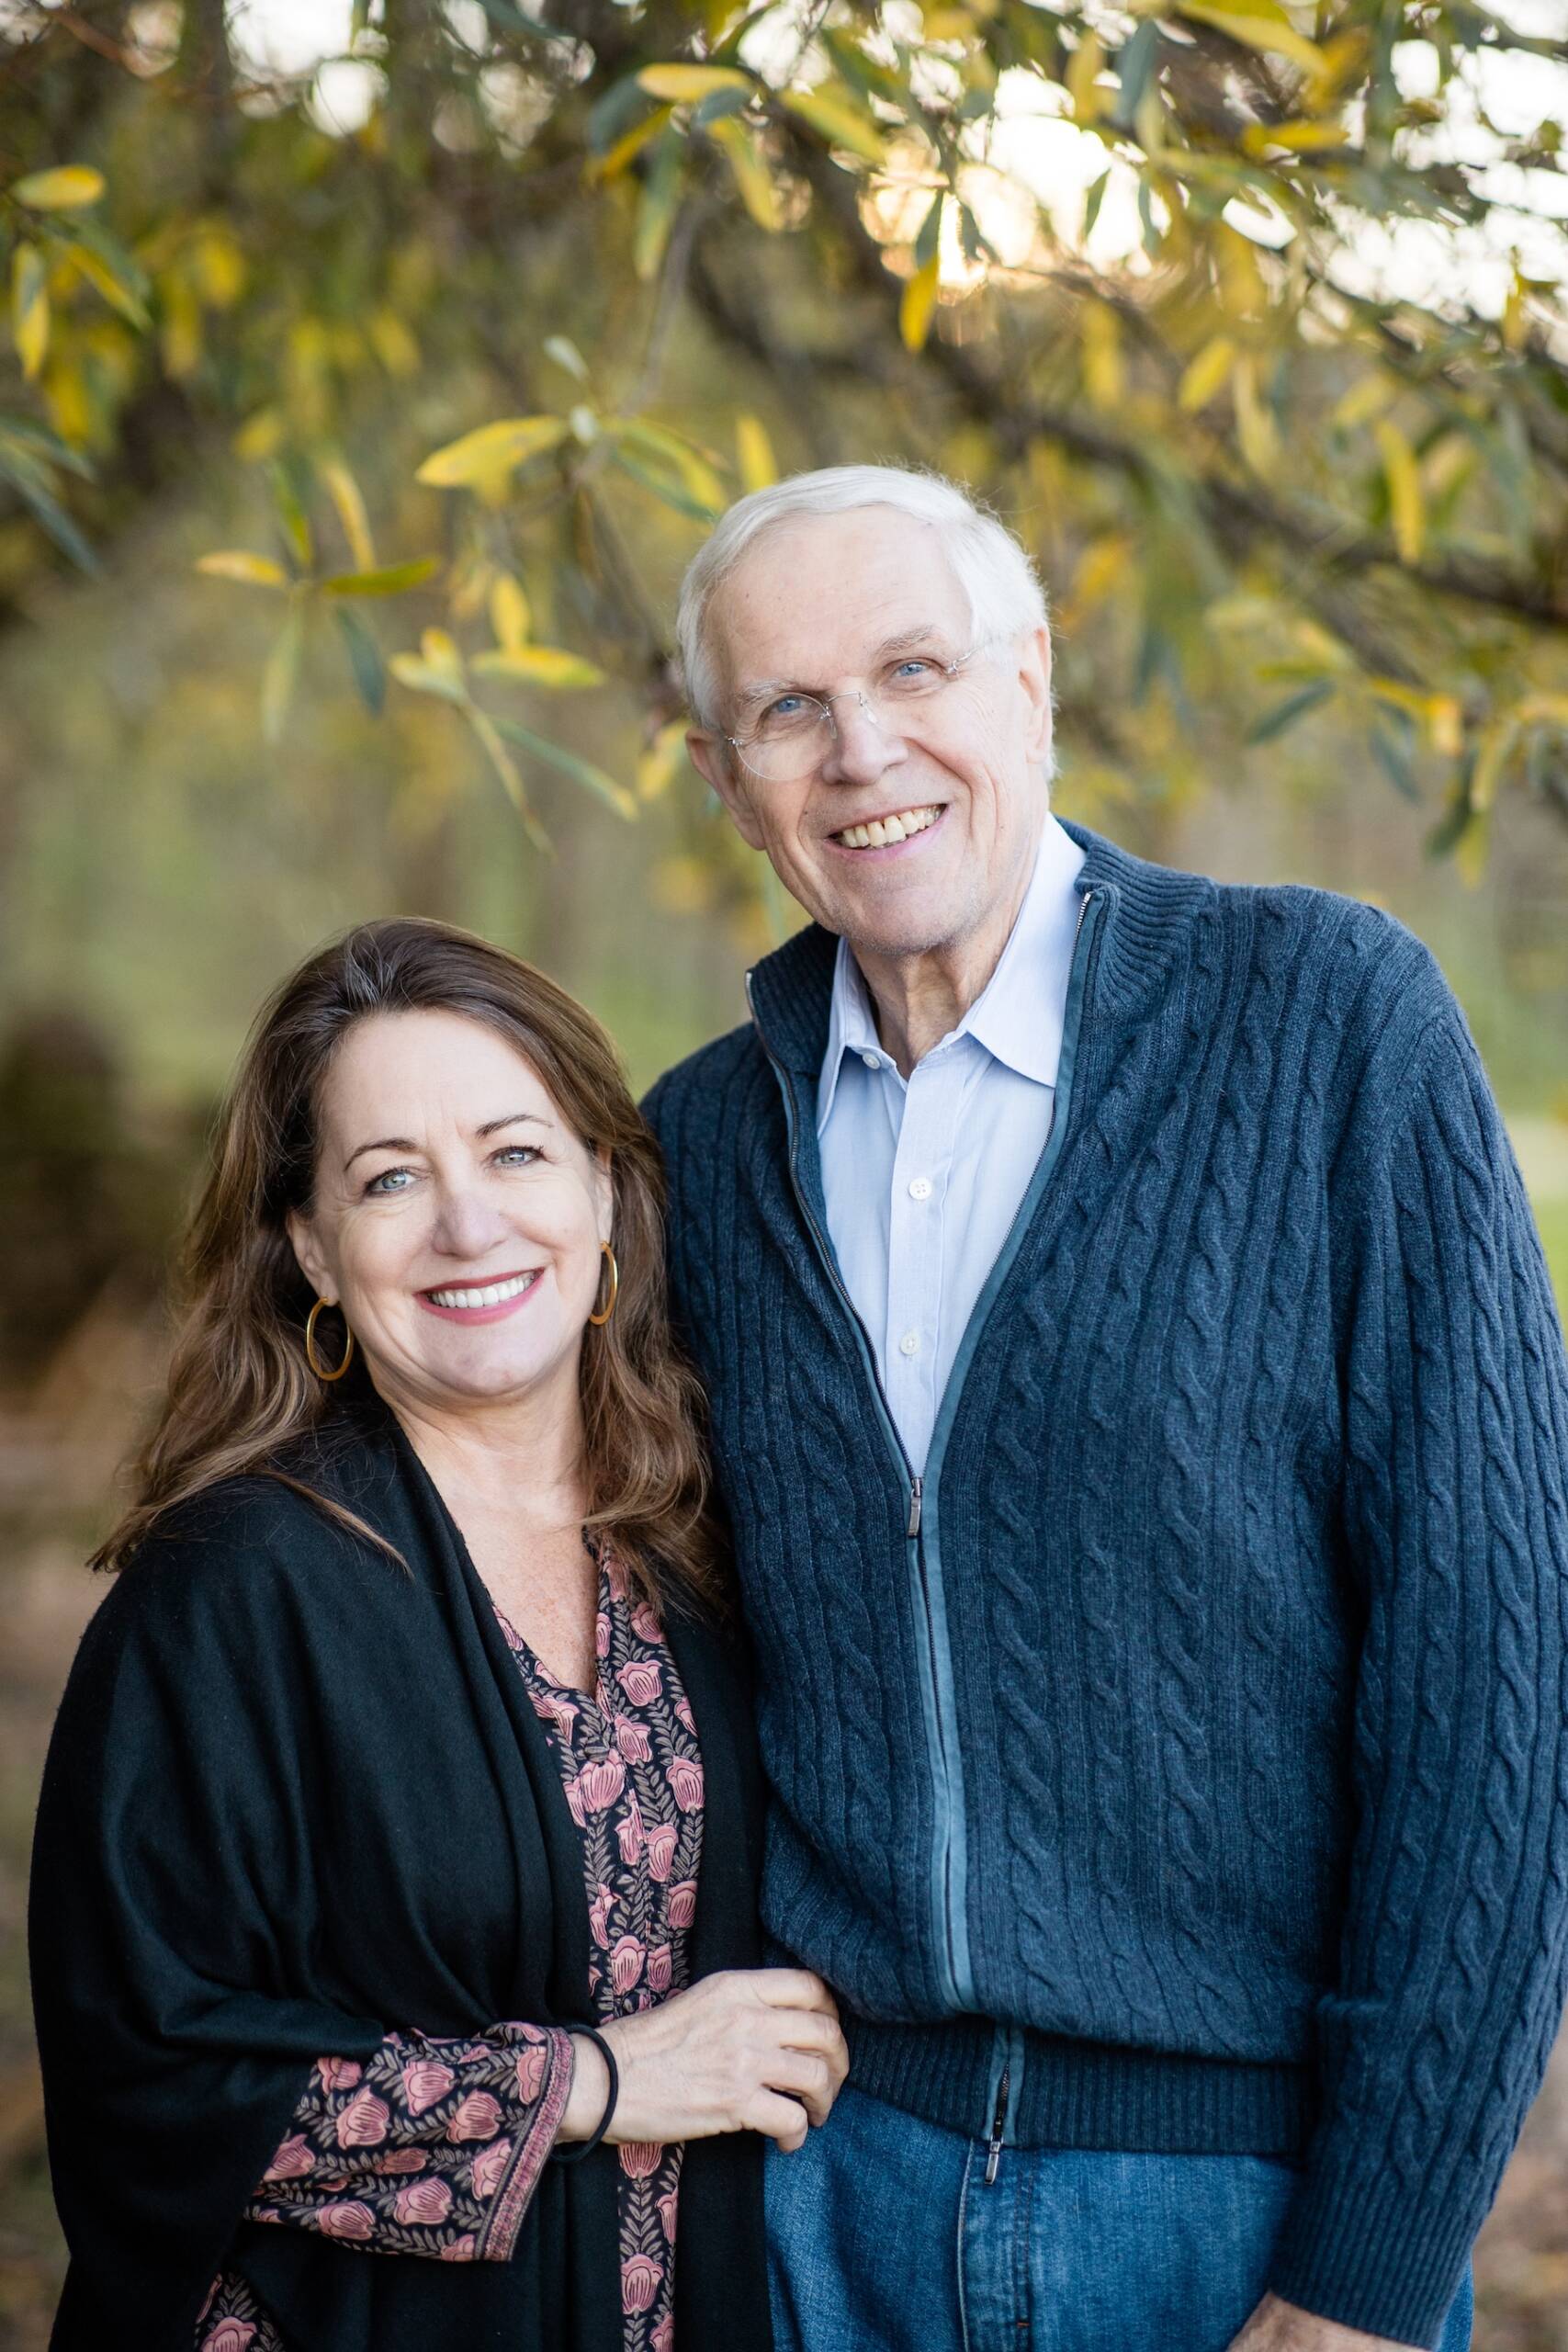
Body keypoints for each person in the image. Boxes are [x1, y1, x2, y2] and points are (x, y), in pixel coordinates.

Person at [642, 465, 1568, 2352]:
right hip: (819, 2199)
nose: (860, 747)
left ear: (1031, 681)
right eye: (786, 705)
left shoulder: (1323, 1021)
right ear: (727, 777)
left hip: (1234, 2212)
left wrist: (1371, 2260)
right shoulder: (694, 1150)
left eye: (913, 667)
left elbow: (1494, 1667)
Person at [30, 918, 847, 2352]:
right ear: (313, 1252)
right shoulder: (237, 1585)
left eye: (515, 1153)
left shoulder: (703, 1533)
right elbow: (146, 2075)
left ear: (607, 1192)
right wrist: (593, 2084)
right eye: (391, 1179)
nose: (469, 1225)